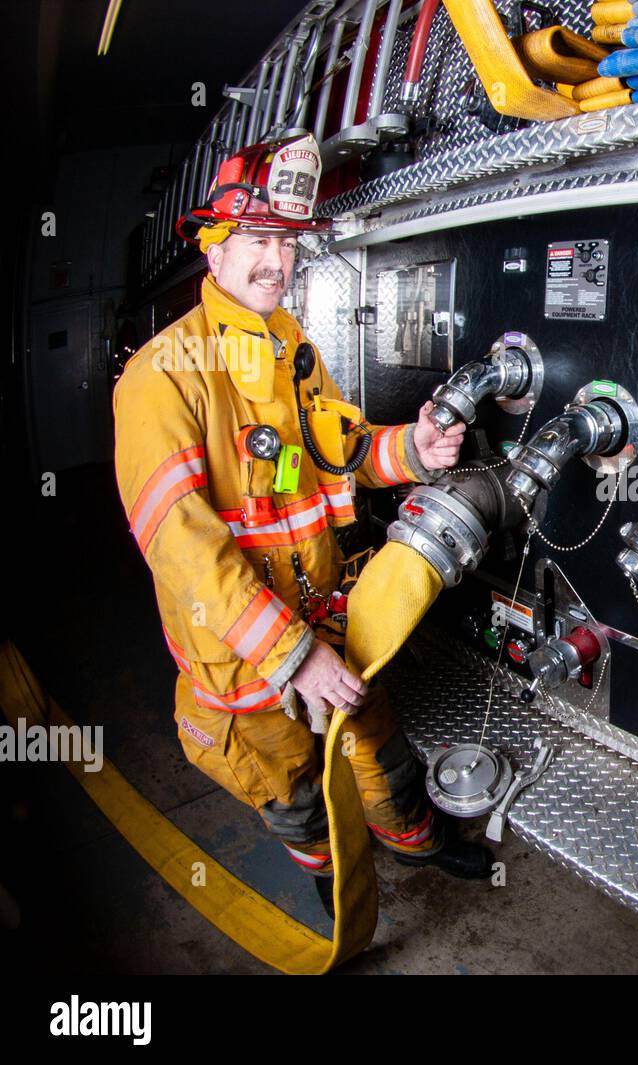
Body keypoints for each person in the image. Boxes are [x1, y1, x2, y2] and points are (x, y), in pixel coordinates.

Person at [113, 135, 489, 916]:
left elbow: (339, 453)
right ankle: (334, 869)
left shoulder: (292, 349)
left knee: (381, 755)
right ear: (212, 251)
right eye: (254, 240)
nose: (273, 262)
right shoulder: (160, 375)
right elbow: (182, 547)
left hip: (332, 624)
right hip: (247, 668)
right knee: (291, 792)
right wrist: (293, 657)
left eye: (285, 244)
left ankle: (414, 837)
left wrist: (414, 449)